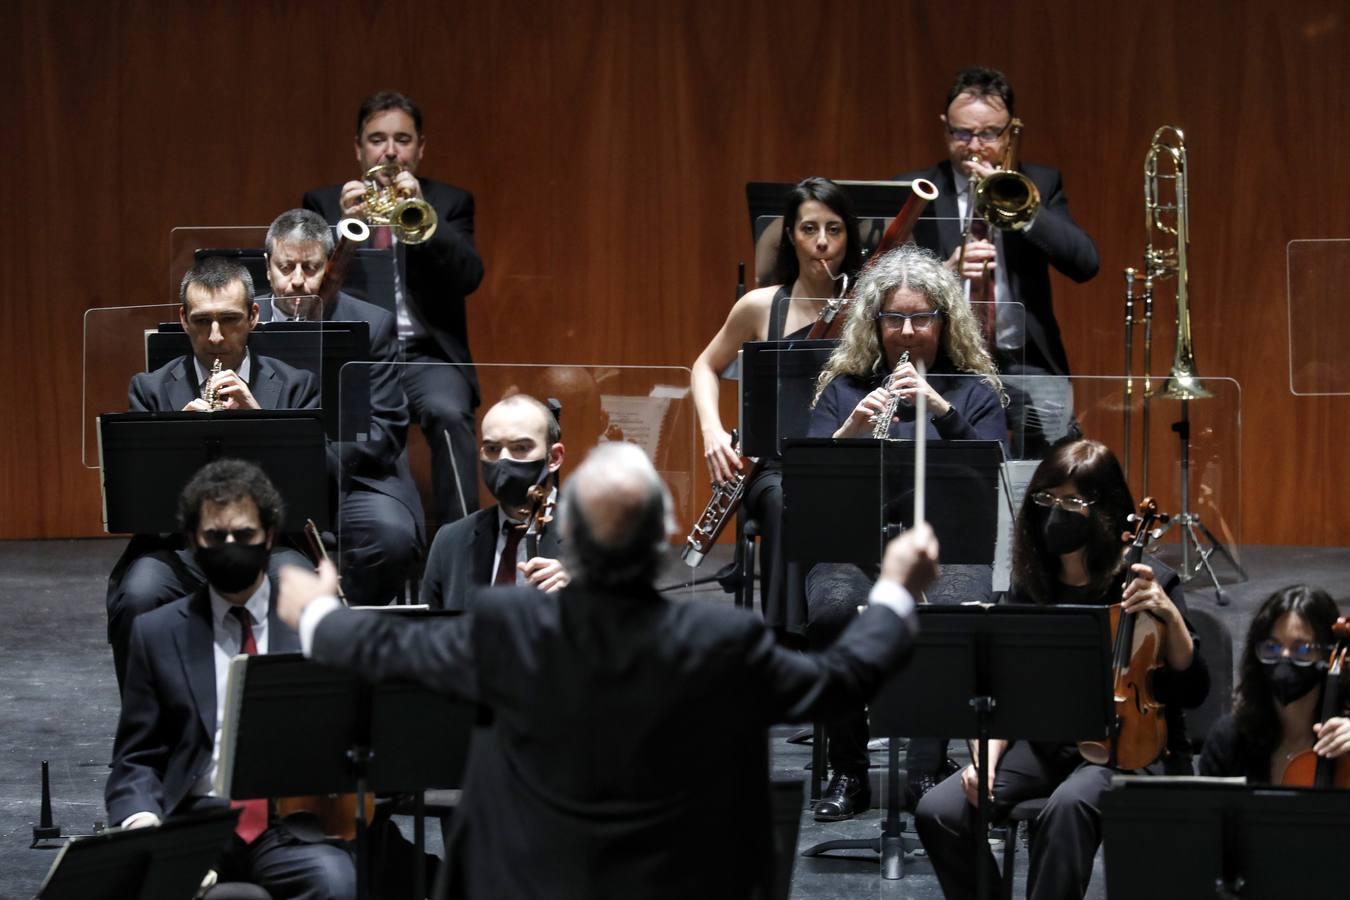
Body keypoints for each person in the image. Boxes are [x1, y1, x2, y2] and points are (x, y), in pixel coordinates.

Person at [277, 442, 938, 900]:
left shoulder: (511, 627)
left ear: (575, 540)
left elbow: (384, 649)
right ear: (661, 541)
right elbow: (843, 677)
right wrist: (897, 587)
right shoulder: (720, 638)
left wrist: (315, 613)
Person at [915, 438, 1210, 900]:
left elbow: (1192, 689)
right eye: (1047, 498)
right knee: (940, 809)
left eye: (1074, 501)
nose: (1057, 511)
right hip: (1043, 744)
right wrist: (985, 766)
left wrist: (1169, 615)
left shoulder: (1147, 582)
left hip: (1126, 747)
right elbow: (1000, 686)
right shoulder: (1031, 585)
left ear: (1108, 511)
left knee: (1068, 809)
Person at [804, 242, 1007, 821]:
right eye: (895, 319)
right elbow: (812, 482)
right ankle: (847, 769)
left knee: (950, 617)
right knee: (832, 615)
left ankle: (925, 769)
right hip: (855, 546)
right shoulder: (843, 388)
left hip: (946, 546)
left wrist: (944, 411)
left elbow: (992, 475)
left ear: (945, 322)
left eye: (923, 318)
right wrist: (851, 430)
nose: (909, 332)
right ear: (876, 323)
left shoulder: (972, 390)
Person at [106, 459, 356, 900]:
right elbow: (136, 759)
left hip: (290, 823)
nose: (229, 546)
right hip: (194, 825)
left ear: (270, 537)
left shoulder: (313, 625)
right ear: (192, 541)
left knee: (334, 883)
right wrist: (144, 824)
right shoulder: (157, 631)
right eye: (214, 536)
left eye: (244, 536)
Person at [105, 257, 316, 690]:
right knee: (138, 596)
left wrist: (259, 420)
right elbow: (139, 501)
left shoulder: (297, 385)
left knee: (304, 593)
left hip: (267, 546)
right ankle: (148, 737)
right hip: (178, 548)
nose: (216, 337)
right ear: (183, 320)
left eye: (230, 320)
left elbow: (316, 483)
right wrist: (175, 439)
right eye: (202, 322)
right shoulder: (150, 389)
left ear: (254, 316)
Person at [303, 90, 484, 529]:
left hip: (427, 358)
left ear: (420, 148)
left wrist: (424, 217)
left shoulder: (450, 202)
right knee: (340, 429)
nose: (389, 151)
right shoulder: (324, 204)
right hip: (356, 356)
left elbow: (469, 277)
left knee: (448, 413)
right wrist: (344, 231)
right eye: (377, 139)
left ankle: (460, 549)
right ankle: (344, 541)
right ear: (359, 148)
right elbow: (307, 293)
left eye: (402, 139)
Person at [691, 176, 862, 636]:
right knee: (789, 500)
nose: (822, 242)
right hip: (777, 466)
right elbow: (705, 367)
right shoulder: (761, 305)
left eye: (834, 229)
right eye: (809, 229)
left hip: (852, 460)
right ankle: (788, 642)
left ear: (850, 234)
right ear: (790, 234)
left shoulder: (870, 308)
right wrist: (711, 432)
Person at [899, 66, 1099, 455]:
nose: (974, 146)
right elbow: (882, 278)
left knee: (1051, 472)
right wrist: (943, 272)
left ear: (1010, 133)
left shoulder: (1039, 183)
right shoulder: (917, 188)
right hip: (945, 359)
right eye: (962, 133)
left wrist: (1020, 209)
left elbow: (1085, 263)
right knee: (952, 467)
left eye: (989, 134)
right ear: (945, 127)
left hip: (1025, 359)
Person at [259, 208, 425, 606]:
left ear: (330, 266)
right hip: (265, 476)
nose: (297, 280)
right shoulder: (241, 321)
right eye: (286, 266)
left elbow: (384, 429)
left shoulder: (373, 324)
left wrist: (313, 460)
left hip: (353, 473)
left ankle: (354, 634)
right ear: (268, 268)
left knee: (390, 537)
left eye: (310, 267)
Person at [421, 393, 568, 610]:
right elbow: (430, 636)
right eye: (492, 449)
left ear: (554, 458)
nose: (503, 460)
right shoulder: (450, 541)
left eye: (520, 447)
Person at [1199, 585, 1350, 782]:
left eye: (1302, 649)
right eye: (1271, 647)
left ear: (1328, 654)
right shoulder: (1229, 739)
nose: (1284, 658)